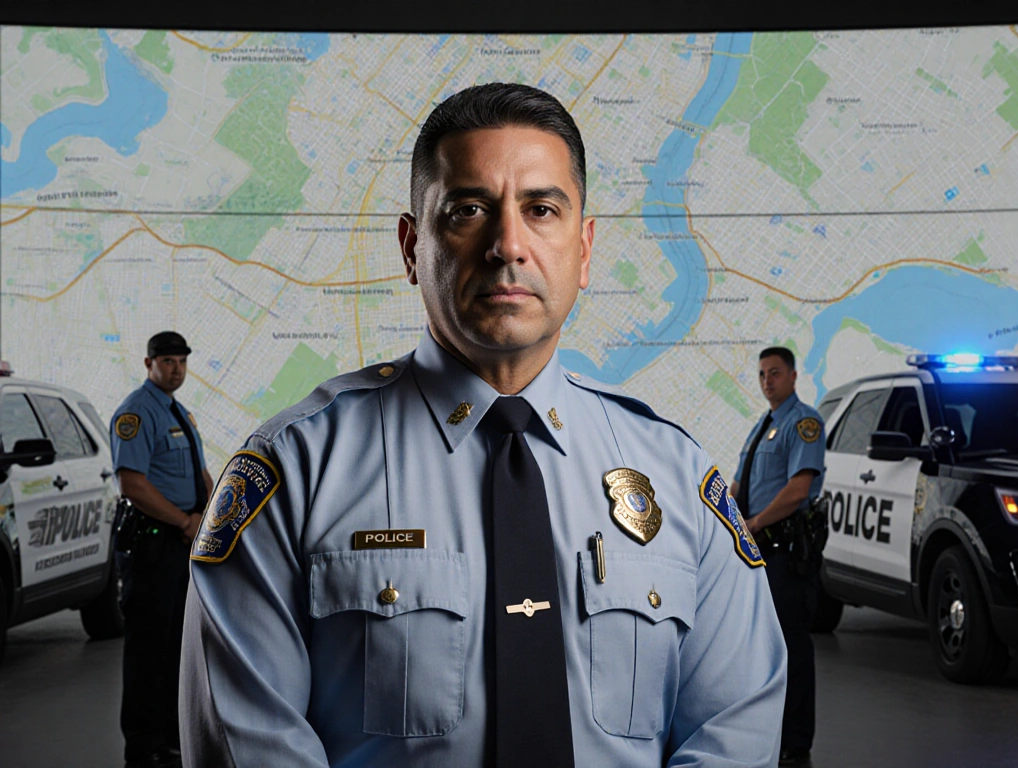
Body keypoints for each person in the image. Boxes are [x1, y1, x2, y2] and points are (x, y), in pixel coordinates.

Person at [180, 83, 788, 767]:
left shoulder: (678, 477)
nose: (508, 245)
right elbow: (249, 744)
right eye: (468, 210)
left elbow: (734, 732)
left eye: (541, 209)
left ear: (585, 250)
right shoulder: (292, 472)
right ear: (412, 247)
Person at [111, 331, 214, 768]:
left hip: (182, 542)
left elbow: (200, 472)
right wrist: (185, 521)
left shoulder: (177, 411)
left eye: (181, 362)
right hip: (154, 542)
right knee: (149, 651)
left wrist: (210, 517)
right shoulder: (137, 411)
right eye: (168, 361)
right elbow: (132, 484)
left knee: (177, 646)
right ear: (149, 362)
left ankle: (172, 738)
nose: (176, 369)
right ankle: (144, 747)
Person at [729, 346, 826, 767]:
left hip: (785, 552)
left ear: (792, 376)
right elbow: (738, 484)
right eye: (763, 374)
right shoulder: (763, 426)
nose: (768, 381)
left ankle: (796, 740)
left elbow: (799, 489)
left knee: (791, 649)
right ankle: (769, 733)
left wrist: (753, 523)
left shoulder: (803, 423)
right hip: (759, 553)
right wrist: (726, 519)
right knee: (762, 648)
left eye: (775, 373)